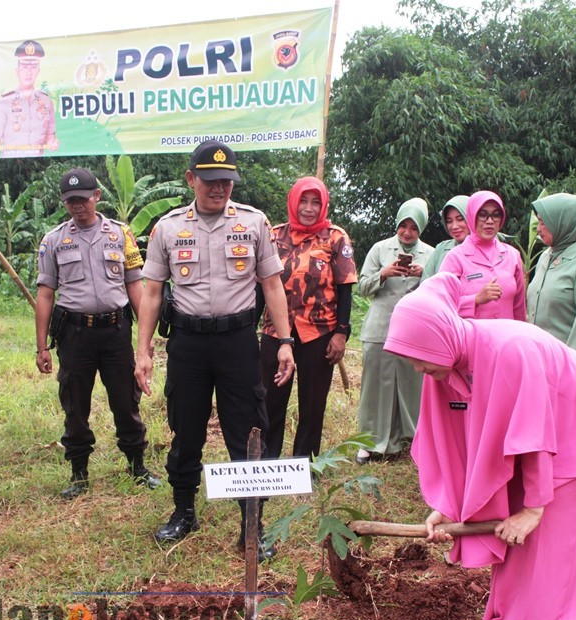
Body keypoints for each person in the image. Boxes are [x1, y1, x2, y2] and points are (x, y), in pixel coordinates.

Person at [384, 273, 576, 620]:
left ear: (439, 338)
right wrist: (448, 506)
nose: (418, 369)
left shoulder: (509, 350)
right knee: (515, 531)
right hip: (541, 434)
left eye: (419, 358)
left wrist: (535, 507)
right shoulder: (447, 363)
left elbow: (535, 437)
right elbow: (456, 441)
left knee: (546, 537)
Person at [135, 140, 295, 559]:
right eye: (209, 180)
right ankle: (183, 511)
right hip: (187, 344)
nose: (219, 188)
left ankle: (252, 525)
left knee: (247, 431)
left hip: (238, 343)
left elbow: (272, 285)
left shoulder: (254, 222)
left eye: (226, 181)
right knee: (185, 429)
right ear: (191, 179)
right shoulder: (167, 228)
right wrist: (144, 350)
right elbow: (152, 293)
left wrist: (284, 341)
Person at [35, 167, 160, 500]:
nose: (78, 206)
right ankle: (79, 474)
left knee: (126, 400)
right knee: (75, 404)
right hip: (75, 334)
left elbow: (136, 285)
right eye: (71, 201)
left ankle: (137, 466)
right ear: (65, 203)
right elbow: (46, 293)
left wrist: (144, 343)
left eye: (83, 199)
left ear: (97, 196)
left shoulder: (121, 235)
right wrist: (41, 346)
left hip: (116, 331)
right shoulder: (54, 240)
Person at [259, 176, 358, 460]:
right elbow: (260, 286)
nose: (309, 208)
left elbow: (345, 287)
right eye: (303, 200)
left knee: (313, 404)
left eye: (316, 202)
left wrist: (341, 333)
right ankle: (268, 463)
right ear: (293, 201)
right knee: (270, 399)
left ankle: (304, 465)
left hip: (319, 333)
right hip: (275, 332)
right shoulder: (274, 235)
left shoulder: (335, 238)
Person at [355, 198, 434, 463]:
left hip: (414, 330)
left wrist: (424, 274)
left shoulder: (432, 254)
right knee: (375, 385)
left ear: (421, 229)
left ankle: (412, 440)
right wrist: (384, 273)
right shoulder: (380, 249)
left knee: (413, 386)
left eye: (414, 227)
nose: (408, 232)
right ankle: (369, 440)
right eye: (403, 226)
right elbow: (362, 287)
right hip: (381, 326)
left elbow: (440, 290)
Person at [526, 193, 576, 361]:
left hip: (569, 367)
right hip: (540, 360)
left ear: (563, 223)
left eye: (543, 222)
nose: (538, 229)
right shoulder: (545, 256)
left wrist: (567, 368)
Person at [439, 190, 526, 320]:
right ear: (472, 217)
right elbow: (440, 304)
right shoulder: (455, 257)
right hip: (470, 338)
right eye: (482, 215)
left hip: (507, 337)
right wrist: (475, 299)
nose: (489, 221)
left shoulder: (512, 255)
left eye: (495, 215)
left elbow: (519, 308)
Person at [0, 40, 58, 159]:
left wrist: (53, 143)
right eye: (25, 67)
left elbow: (50, 137)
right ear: (17, 70)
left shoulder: (46, 101)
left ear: (38, 71)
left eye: (33, 67)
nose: (29, 72)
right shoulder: (5, 102)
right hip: (11, 163)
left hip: (39, 163)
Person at [420, 195, 470, 279]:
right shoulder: (441, 249)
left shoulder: (493, 246)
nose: (454, 226)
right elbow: (426, 284)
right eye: (449, 221)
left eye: (460, 219)